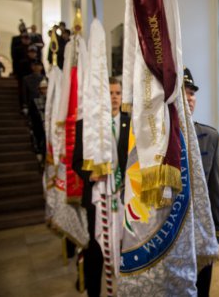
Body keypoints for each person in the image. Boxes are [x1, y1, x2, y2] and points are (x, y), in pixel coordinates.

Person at [72, 77, 130, 297]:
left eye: (118, 93)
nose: (114, 97)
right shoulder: (87, 126)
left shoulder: (131, 124)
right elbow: (76, 161)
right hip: (97, 199)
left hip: (123, 198)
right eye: (110, 93)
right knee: (95, 249)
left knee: (123, 247)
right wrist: (91, 174)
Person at [183, 67, 219, 296]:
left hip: (201, 230)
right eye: (184, 92)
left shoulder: (209, 137)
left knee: (201, 289)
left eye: (192, 93)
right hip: (173, 234)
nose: (189, 98)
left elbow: (214, 190)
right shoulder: (160, 140)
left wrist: (218, 233)